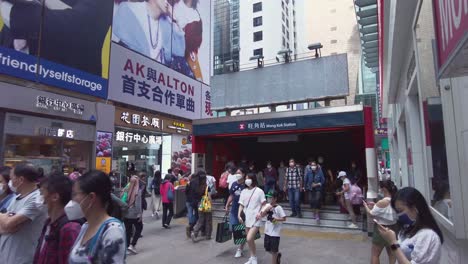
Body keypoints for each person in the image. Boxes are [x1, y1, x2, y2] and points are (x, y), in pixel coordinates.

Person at [68, 170, 126, 263]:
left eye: (75, 194)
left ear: (91, 197)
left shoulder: (112, 231)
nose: (72, 199)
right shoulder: (85, 226)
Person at [376, 187, 443, 264]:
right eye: (396, 211)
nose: (398, 215)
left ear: (415, 208)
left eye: (400, 210)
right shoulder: (408, 229)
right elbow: (399, 253)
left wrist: (392, 242)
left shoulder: (428, 235)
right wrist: (392, 242)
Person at [0, 163, 47, 264]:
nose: (10, 182)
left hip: (22, 258)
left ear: (21, 180)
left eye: (12, 178)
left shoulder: (36, 200)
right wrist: (5, 221)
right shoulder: (17, 197)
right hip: (5, 257)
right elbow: (5, 225)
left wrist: (6, 221)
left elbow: (9, 224)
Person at [33, 173, 82, 264]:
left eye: (41, 193)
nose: (39, 197)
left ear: (55, 197)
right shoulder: (49, 224)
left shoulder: (69, 229)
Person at [363, 180, 398, 264]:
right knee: (392, 254)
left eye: (381, 188)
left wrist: (365, 206)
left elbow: (371, 214)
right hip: (393, 229)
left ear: (384, 189)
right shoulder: (396, 200)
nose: (380, 190)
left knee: (375, 254)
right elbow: (387, 210)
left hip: (380, 229)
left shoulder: (382, 202)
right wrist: (375, 205)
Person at [238, 173, 266, 264]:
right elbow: (241, 205)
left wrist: (260, 213)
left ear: (253, 179)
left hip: (256, 219)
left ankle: (254, 257)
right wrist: (239, 215)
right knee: (249, 240)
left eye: (249, 178)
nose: (247, 180)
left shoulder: (259, 191)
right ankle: (252, 257)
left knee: (249, 238)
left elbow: (264, 204)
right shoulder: (243, 191)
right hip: (247, 218)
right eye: (246, 178)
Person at [225, 167, 247, 258]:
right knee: (233, 229)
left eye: (240, 173)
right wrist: (227, 205)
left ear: (244, 175)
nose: (238, 174)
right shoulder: (234, 184)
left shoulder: (246, 185)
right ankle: (242, 242)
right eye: (236, 173)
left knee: (241, 231)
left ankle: (240, 249)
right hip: (234, 210)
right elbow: (231, 195)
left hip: (244, 212)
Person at [260, 190, 287, 264]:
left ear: (275, 198)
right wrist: (266, 209)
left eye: (270, 197)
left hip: (275, 232)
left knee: (274, 250)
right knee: (267, 249)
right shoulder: (267, 205)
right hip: (267, 231)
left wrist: (277, 219)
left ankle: (274, 260)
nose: (269, 199)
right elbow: (261, 215)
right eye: (268, 197)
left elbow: (284, 218)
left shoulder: (278, 208)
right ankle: (277, 255)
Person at [124, 174, 143, 254]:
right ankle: (132, 245)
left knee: (128, 231)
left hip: (126, 213)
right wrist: (140, 214)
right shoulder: (137, 191)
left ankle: (127, 246)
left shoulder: (126, 189)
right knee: (139, 227)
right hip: (134, 214)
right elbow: (138, 205)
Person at [191, 170, 213, 241]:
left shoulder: (194, 185)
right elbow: (209, 197)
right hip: (206, 204)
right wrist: (211, 204)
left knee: (201, 220)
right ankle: (208, 236)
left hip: (199, 204)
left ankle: (194, 232)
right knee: (208, 220)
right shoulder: (206, 187)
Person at [185, 172, 201, 237]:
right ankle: (194, 226)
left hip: (188, 200)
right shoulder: (198, 183)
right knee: (197, 213)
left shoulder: (189, 183)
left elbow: (186, 192)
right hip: (196, 201)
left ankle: (190, 225)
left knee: (190, 213)